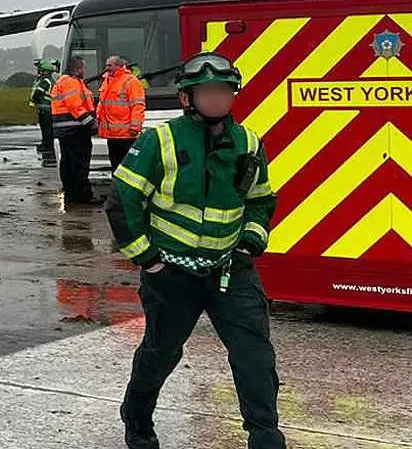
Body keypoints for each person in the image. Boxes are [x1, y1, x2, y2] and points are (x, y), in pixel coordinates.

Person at [106, 52, 283, 449]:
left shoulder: (248, 142)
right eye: (207, 91)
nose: (217, 98)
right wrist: (149, 261)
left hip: (231, 271)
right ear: (187, 98)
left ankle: (265, 436)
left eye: (224, 90)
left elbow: (260, 200)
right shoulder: (160, 141)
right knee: (161, 352)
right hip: (172, 274)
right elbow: (122, 202)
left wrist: (249, 244)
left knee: (254, 356)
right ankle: (137, 418)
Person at [52, 58, 99, 206]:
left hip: (66, 130)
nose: (85, 71)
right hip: (75, 130)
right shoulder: (70, 83)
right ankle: (83, 196)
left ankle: (71, 194)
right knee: (79, 164)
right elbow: (75, 107)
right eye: (83, 68)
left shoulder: (64, 82)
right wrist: (91, 123)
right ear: (77, 70)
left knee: (68, 163)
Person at [99, 55, 147, 172]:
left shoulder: (131, 82)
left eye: (109, 65)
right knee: (115, 165)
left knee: (128, 166)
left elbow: (138, 106)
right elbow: (102, 105)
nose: (107, 68)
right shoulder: (107, 81)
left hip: (126, 135)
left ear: (119, 66)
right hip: (112, 135)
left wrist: (135, 127)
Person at [29, 58, 59, 167]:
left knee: (46, 129)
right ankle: (47, 145)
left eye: (40, 70)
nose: (39, 72)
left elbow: (38, 93)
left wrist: (34, 100)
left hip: (46, 109)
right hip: (46, 108)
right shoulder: (48, 80)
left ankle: (48, 148)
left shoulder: (45, 81)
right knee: (46, 129)